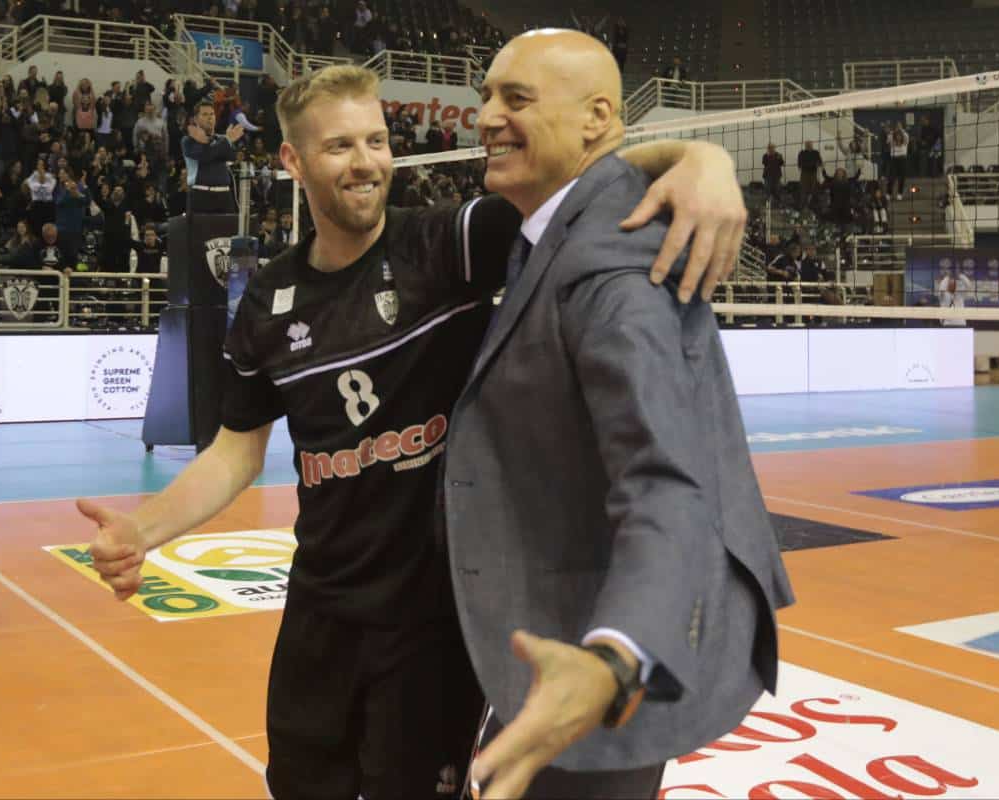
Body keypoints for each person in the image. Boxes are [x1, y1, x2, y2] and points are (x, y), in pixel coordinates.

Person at [80, 65, 746, 799]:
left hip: (432, 624)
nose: (365, 162)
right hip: (320, 611)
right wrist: (142, 531)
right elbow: (236, 453)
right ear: (294, 161)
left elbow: (579, 185)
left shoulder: (446, 244)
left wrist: (699, 160)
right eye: (339, 146)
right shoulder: (268, 301)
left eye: (377, 141)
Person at [445, 30, 793, 799]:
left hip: (608, 640)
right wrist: (695, 154)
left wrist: (614, 657)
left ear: (597, 118)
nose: (486, 116)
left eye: (516, 98)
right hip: (566, 611)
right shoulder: (565, 222)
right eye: (487, 95)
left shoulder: (614, 260)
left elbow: (667, 482)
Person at [181, 100, 244, 214]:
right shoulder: (189, 141)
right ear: (196, 119)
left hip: (225, 196)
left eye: (212, 114)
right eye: (205, 114)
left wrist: (227, 141)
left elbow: (232, 156)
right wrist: (227, 140)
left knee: (229, 226)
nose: (210, 118)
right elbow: (206, 155)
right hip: (201, 195)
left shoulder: (221, 139)